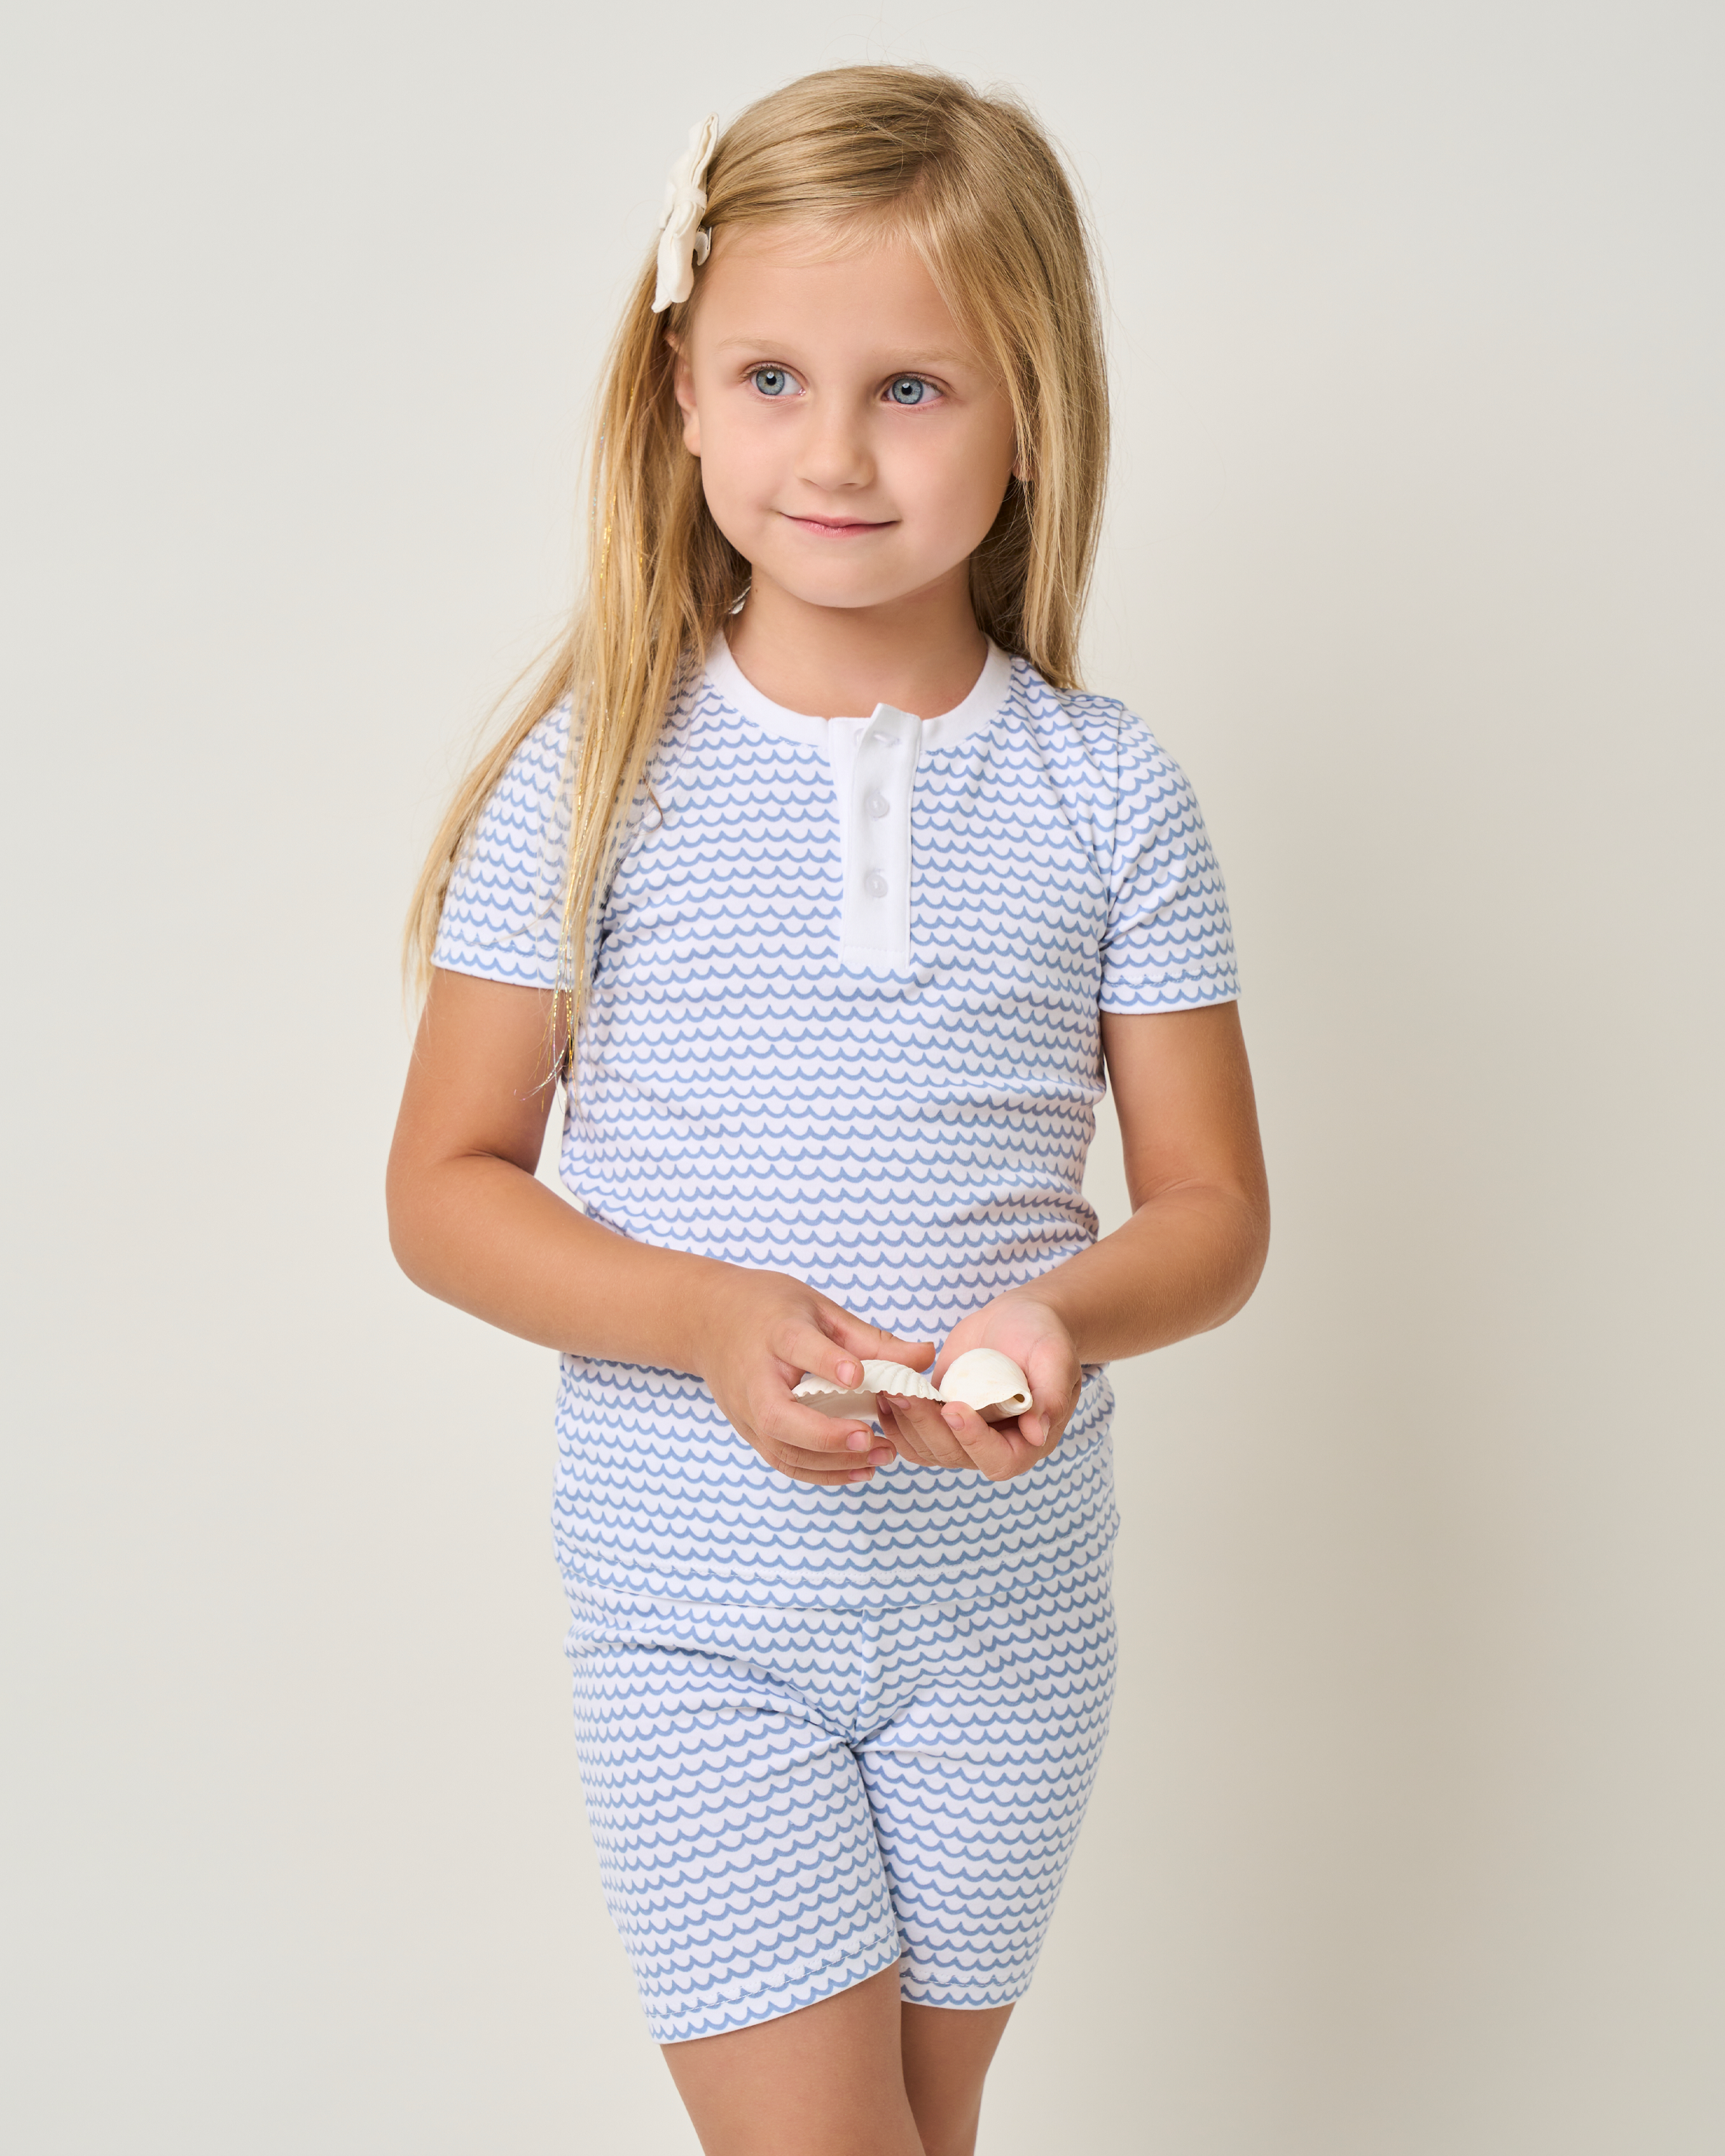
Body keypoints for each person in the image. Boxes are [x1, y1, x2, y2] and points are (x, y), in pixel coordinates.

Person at [387, 64, 1269, 2156]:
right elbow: (441, 1187)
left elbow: (1214, 1208)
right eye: (777, 376)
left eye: (916, 389)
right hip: (698, 1621)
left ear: (1032, 410)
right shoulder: (595, 773)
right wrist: (701, 1319)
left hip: (1012, 1620)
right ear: (684, 390)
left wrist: (1062, 1317)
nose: (838, 453)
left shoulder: (1106, 791)